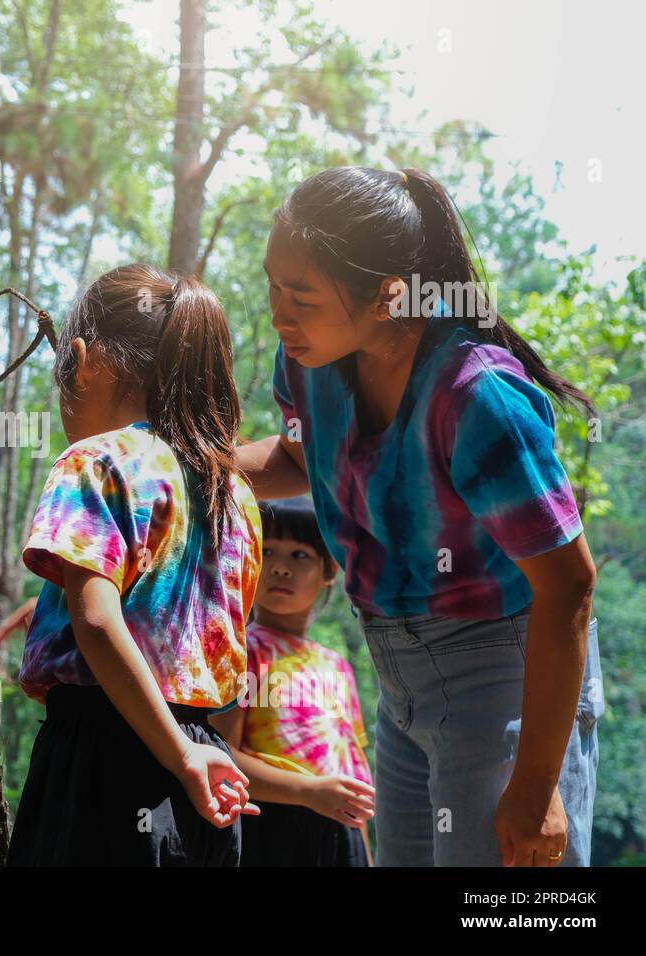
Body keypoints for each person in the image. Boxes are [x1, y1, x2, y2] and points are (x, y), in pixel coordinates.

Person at [237, 166, 602, 866]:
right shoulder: (312, 363)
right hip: (398, 681)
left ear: (386, 296)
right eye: (272, 286)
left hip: (506, 676)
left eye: (302, 297)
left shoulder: (476, 398)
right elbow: (299, 461)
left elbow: (568, 588)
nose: (279, 314)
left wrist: (534, 785)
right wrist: (196, 462)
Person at [0, 263, 263, 865]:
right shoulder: (234, 494)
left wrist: (177, 753)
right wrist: (187, 753)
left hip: (104, 754)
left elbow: (96, 622)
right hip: (202, 768)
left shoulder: (96, 461)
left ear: (85, 361)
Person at [209, 495, 375, 866]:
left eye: (300, 555)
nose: (281, 568)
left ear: (329, 571)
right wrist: (306, 791)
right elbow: (221, 757)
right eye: (266, 552)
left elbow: (350, 771)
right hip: (268, 827)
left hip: (341, 832)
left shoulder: (336, 666)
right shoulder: (240, 651)